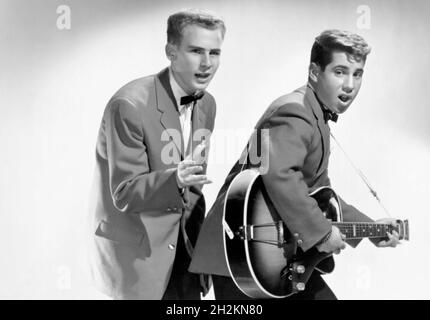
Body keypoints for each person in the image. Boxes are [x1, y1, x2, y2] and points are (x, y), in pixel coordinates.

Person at [189, 29, 401, 300]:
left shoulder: (315, 116)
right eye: (339, 72)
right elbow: (281, 176)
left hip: (273, 252)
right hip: (242, 249)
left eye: (357, 74)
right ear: (315, 72)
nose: (350, 84)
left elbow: (319, 194)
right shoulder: (296, 112)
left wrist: (373, 228)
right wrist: (323, 235)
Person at [88, 9, 225, 300]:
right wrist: (175, 179)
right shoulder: (128, 105)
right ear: (171, 52)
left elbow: (194, 188)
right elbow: (125, 192)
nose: (207, 63)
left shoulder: (208, 104)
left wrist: (202, 253)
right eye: (196, 51)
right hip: (140, 257)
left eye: (214, 53)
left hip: (185, 256)